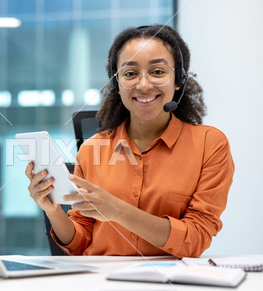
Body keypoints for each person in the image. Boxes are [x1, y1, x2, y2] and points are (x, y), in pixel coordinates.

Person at [25, 25, 234, 258]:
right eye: (130, 73)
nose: (143, 85)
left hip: (170, 285)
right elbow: (80, 243)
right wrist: (53, 211)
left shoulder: (209, 144)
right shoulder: (92, 148)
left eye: (157, 71)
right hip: (100, 284)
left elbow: (195, 239)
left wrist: (117, 211)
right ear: (117, 84)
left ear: (178, 80)